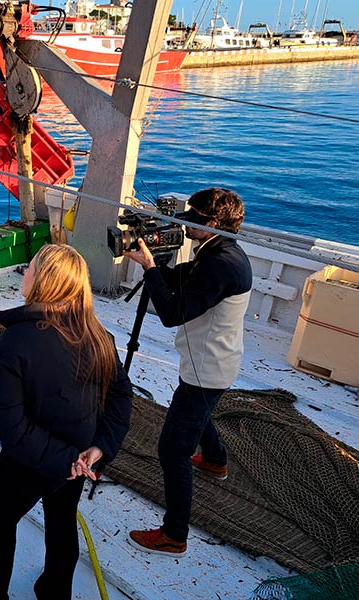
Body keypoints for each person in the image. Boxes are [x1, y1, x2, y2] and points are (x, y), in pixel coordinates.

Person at [0, 243, 133, 600]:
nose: (26, 271)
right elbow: (121, 397)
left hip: (29, 461)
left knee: (0, 522)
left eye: (31, 266)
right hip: (79, 459)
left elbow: (7, 420)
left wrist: (64, 459)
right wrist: (99, 447)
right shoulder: (100, 336)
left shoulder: (17, 341)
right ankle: (54, 590)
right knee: (62, 523)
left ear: (44, 281)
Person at [124, 187, 252, 557]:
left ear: (212, 222)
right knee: (199, 412)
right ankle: (214, 461)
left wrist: (150, 269)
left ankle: (174, 535)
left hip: (206, 368)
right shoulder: (221, 250)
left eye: (192, 217)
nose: (184, 222)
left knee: (173, 451)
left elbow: (171, 314)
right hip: (216, 360)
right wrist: (153, 263)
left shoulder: (219, 265)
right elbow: (184, 277)